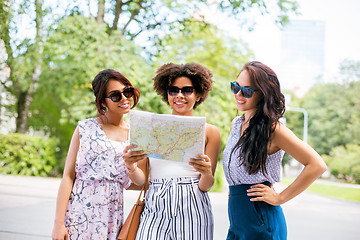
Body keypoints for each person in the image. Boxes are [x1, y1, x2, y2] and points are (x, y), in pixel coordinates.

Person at [223, 61, 327, 240]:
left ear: (263, 94)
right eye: (235, 87)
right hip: (238, 220)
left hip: (261, 220)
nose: (239, 94)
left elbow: (316, 165)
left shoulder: (273, 129)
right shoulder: (236, 124)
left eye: (247, 91)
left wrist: (280, 198)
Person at [123, 62, 221, 240]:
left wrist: (206, 173)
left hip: (193, 203)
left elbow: (206, 186)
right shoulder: (150, 127)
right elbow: (142, 180)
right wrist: (130, 166)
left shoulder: (210, 131)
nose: (180, 95)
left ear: (198, 94)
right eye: (173, 90)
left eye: (187, 90)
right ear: (166, 94)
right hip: (155, 200)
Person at [51, 69, 140, 240]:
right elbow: (68, 176)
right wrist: (58, 223)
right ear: (102, 101)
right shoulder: (85, 128)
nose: (124, 99)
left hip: (112, 217)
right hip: (79, 212)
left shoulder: (136, 134)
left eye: (127, 92)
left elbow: (137, 181)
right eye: (115, 95)